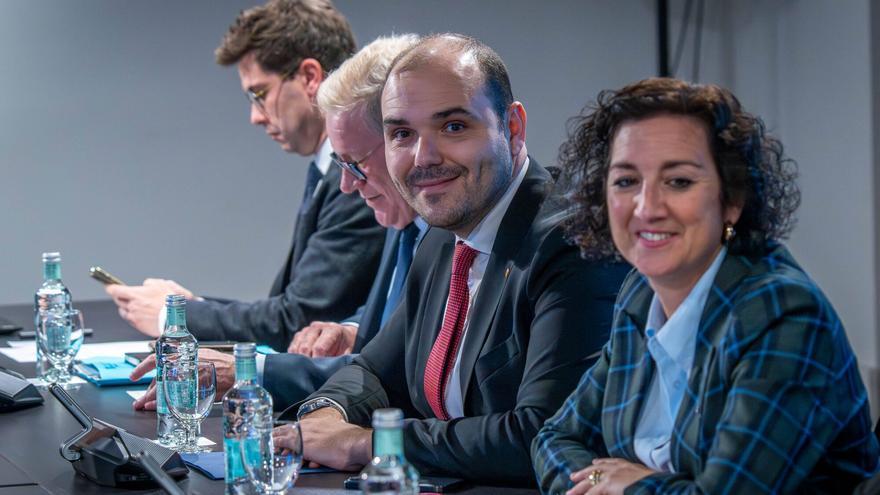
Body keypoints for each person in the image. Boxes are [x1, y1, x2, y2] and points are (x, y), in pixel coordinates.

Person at [275, 34, 631, 484]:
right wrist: (327, 413)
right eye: (402, 134)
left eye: (454, 127)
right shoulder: (443, 236)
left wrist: (368, 444)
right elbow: (374, 370)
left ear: (513, 128)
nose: (424, 158)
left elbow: (540, 435)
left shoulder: (571, 243)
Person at [531, 78, 879, 494]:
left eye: (678, 181)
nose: (647, 207)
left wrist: (630, 488)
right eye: (626, 181)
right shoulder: (640, 295)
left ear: (731, 200)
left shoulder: (783, 313)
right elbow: (553, 438)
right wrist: (601, 480)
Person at [129, 34, 423, 411]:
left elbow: (302, 321)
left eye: (259, 94)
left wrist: (247, 370)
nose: (348, 184)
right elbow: (399, 313)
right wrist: (353, 329)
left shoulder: (428, 223)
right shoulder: (404, 218)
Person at [105, 0, 385, 352]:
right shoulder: (327, 170)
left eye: (259, 94)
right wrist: (195, 307)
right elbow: (292, 309)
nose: (256, 117)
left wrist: (175, 315)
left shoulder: (358, 180)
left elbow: (298, 319)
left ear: (310, 78)